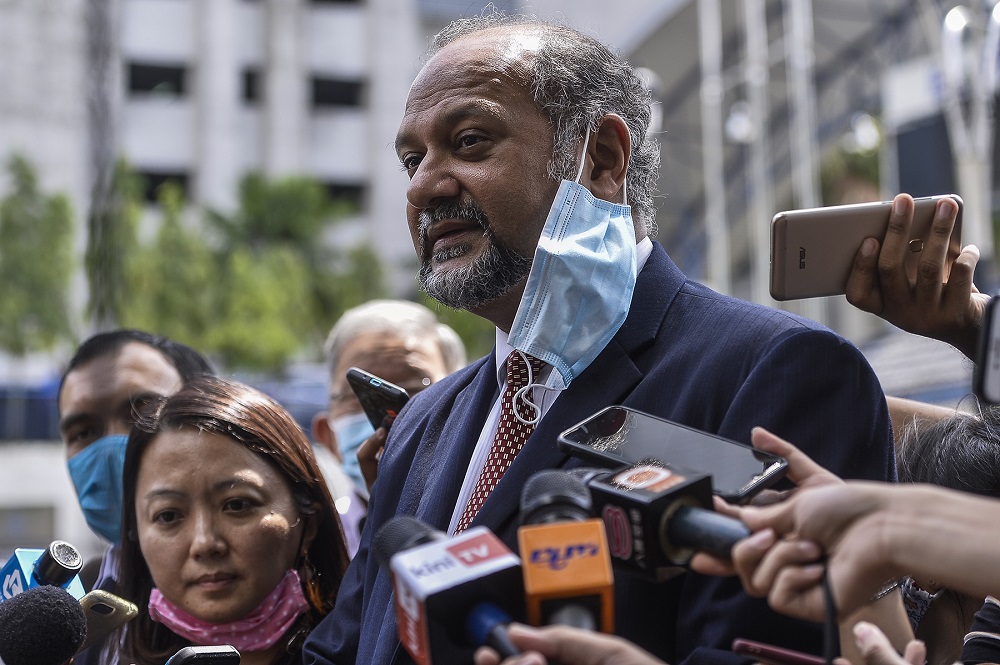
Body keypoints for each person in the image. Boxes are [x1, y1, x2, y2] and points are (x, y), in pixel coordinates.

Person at [302, 12, 893, 664]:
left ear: (604, 159)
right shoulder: (419, 423)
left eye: (469, 142)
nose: (423, 186)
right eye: (412, 160)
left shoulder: (779, 373)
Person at [111, 375, 349, 665]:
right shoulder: (102, 654)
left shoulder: (367, 651)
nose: (205, 543)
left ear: (308, 524)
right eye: (169, 515)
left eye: (237, 505)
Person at [310, 299, 466, 554]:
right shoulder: (312, 547)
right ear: (327, 436)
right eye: (359, 394)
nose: (388, 416)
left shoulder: (483, 519)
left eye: (416, 391)